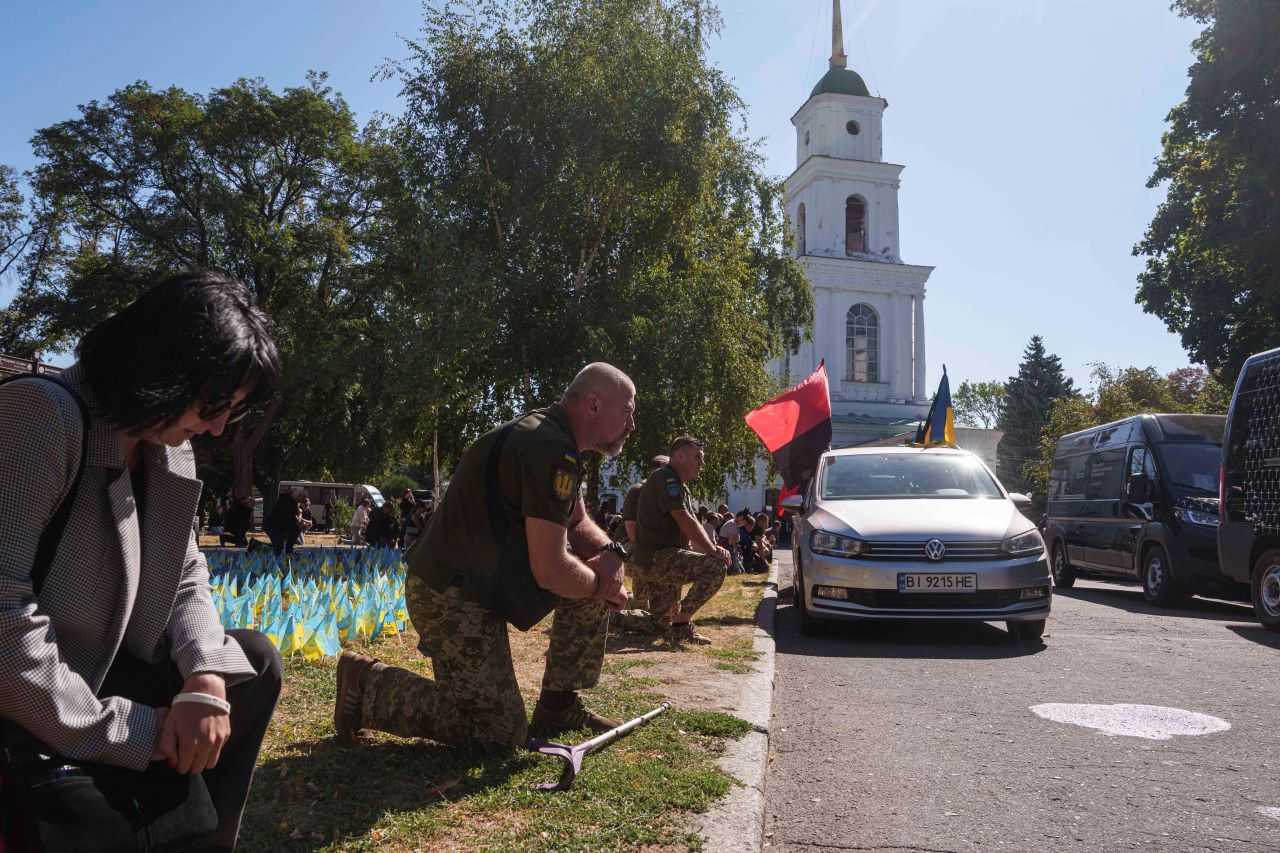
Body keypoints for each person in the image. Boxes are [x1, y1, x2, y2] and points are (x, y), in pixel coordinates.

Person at [0, 270, 283, 851]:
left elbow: (183, 575)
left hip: (105, 672)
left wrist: (204, 677)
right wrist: (137, 732)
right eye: (212, 404)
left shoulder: (169, 451)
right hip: (33, 690)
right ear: (161, 366)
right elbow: (3, 616)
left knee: (250, 664)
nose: (217, 427)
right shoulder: (41, 417)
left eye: (233, 410)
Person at [334, 363, 636, 749]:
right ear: (593, 405)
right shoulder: (550, 448)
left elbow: (577, 523)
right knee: (499, 733)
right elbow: (551, 569)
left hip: (479, 584)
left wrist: (610, 553)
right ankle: (368, 685)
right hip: (450, 596)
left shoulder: (554, 438)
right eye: (627, 412)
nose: (632, 426)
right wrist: (602, 584)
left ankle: (558, 705)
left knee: (592, 582)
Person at [632, 437, 732, 645]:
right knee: (715, 566)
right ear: (679, 456)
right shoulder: (665, 478)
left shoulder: (679, 485)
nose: (702, 463)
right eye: (697, 457)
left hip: (660, 558)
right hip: (657, 558)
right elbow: (684, 519)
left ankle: (610, 615)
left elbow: (691, 522)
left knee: (659, 624)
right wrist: (712, 550)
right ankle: (681, 626)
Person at [615, 454, 669, 611]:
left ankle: (661, 604)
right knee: (644, 552)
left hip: (649, 542)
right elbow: (633, 535)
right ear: (652, 473)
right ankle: (639, 604)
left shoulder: (664, 493)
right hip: (625, 546)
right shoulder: (638, 491)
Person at [264, 487, 305, 555]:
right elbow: (288, 518)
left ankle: (288, 552)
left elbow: (294, 519)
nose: (300, 502)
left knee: (280, 545)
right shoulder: (289, 502)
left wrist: (298, 523)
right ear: (298, 496)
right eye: (301, 499)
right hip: (273, 526)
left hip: (277, 526)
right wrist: (298, 524)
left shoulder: (291, 501)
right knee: (279, 546)